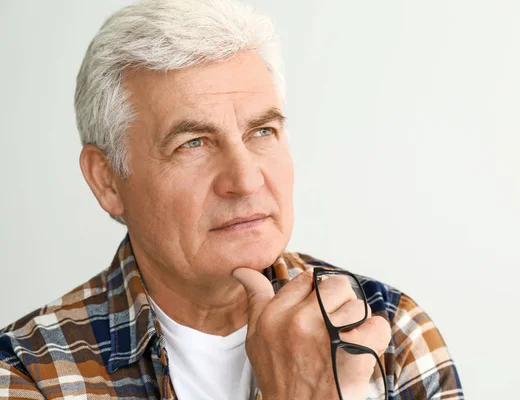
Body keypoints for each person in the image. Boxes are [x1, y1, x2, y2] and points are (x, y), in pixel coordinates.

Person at [0, 0, 463, 399]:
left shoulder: (390, 330)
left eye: (262, 131)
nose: (244, 180)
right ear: (108, 181)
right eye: (193, 143)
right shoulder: (27, 370)